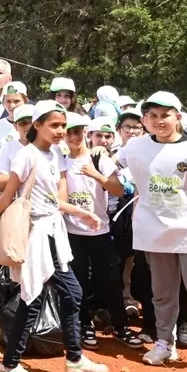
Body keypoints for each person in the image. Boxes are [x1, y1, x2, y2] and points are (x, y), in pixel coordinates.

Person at [0, 102, 109, 372]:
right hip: (36, 237)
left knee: (67, 295)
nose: (61, 131)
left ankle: (72, 359)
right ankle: (11, 366)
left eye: (63, 125)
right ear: (37, 125)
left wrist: (81, 212)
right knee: (35, 299)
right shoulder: (26, 156)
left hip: (52, 233)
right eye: (55, 125)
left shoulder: (52, 155)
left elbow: (48, 200)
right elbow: (7, 196)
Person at [107, 92, 187, 372]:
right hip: (154, 230)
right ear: (145, 120)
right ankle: (164, 342)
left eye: (165, 115)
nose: (159, 121)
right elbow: (111, 169)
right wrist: (101, 171)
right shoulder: (135, 147)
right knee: (161, 291)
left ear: (178, 117)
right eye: (152, 116)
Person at [60, 114, 142, 349]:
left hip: (101, 231)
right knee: (79, 282)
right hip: (72, 232)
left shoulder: (98, 159)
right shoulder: (61, 160)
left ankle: (120, 326)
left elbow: (118, 190)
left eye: (78, 132)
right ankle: (85, 325)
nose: (74, 137)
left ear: (85, 132)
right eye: (70, 132)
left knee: (110, 281)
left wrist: (96, 174)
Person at [0, 82, 28, 158]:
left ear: (25, 101)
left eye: (16, 101)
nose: (12, 106)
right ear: (3, 103)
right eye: (8, 101)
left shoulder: (36, 123)